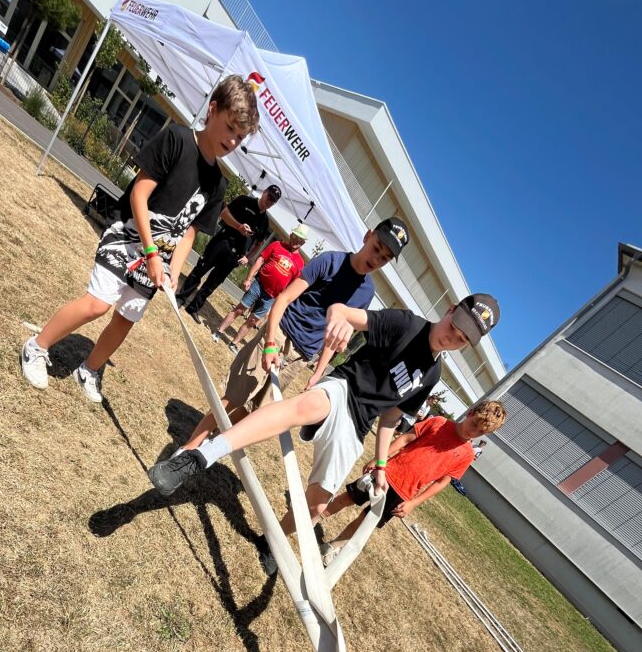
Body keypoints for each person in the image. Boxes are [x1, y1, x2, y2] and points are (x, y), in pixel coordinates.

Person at [148, 293, 501, 573]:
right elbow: (341, 311)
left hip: (358, 425)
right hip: (342, 390)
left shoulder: (432, 375)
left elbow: (391, 417)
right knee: (305, 406)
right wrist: (339, 321)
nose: (451, 337)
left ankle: (272, 540)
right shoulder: (406, 323)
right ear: (450, 310)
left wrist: (381, 464)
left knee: (317, 505)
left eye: (461, 339)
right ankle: (198, 458)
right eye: (454, 326)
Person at [20, 75, 260, 402]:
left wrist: (173, 270)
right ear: (212, 110)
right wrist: (150, 253)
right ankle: (36, 347)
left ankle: (89, 369)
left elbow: (190, 232)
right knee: (97, 304)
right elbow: (139, 195)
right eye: (230, 128)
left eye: (240, 137)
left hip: (157, 259)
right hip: (128, 237)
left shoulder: (218, 185)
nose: (232, 141)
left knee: (126, 317)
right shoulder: (176, 139)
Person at [176, 217, 411, 455]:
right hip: (279, 334)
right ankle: (188, 450)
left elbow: (334, 334)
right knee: (235, 396)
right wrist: (270, 343)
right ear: (368, 236)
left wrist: (318, 373)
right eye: (377, 248)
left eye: (385, 258)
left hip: (301, 356)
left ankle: (212, 447)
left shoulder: (366, 293)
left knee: (256, 412)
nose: (376, 259)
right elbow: (284, 299)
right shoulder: (330, 261)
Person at [317, 400, 507, 565]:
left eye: (481, 432)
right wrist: (379, 460)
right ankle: (313, 519)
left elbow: (441, 482)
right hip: (385, 474)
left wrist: (413, 503)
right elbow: (406, 438)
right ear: (470, 413)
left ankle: (331, 547)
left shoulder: (467, 455)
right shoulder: (439, 422)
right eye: (474, 424)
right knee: (347, 498)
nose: (473, 432)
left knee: (364, 522)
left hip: (403, 494)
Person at [176, 184, 281, 321]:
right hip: (222, 242)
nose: (269, 201)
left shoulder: (265, 222)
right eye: (269, 196)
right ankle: (181, 298)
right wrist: (239, 227)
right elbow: (224, 214)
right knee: (200, 269)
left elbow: (259, 243)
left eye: (273, 200)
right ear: (264, 192)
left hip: (235, 255)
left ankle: (194, 308)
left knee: (213, 283)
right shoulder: (245, 201)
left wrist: (248, 257)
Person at [213, 225, 307, 354]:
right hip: (259, 285)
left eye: (300, 239)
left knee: (252, 321)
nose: (296, 241)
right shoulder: (277, 245)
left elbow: (292, 286)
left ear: (303, 243)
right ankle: (219, 331)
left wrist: (279, 303)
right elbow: (260, 260)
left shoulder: (300, 263)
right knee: (239, 309)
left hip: (271, 297)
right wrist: (248, 279)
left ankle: (234, 343)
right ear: (291, 235)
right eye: (295, 237)